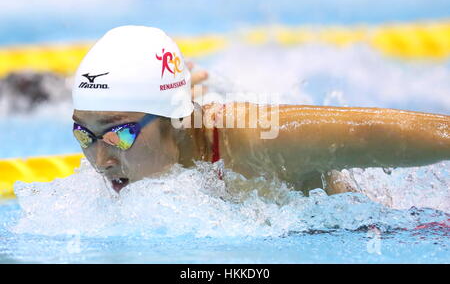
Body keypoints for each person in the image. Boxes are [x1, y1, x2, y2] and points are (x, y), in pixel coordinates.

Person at [72, 26, 450, 194]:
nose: (100, 159)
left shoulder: (261, 138)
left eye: (118, 133)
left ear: (177, 120)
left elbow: (368, 130)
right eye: (83, 134)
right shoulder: (151, 155)